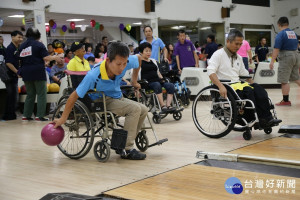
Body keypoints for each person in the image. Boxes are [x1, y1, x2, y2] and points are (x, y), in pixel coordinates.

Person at [53, 42, 147, 160]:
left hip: (117, 97)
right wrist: (63, 118)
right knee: (135, 109)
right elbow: (73, 95)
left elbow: (138, 59)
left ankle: (122, 141)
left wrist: (134, 80)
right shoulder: (93, 76)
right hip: (101, 100)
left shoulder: (125, 61)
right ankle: (127, 148)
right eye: (118, 64)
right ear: (108, 60)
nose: (122, 67)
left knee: (144, 109)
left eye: (124, 64)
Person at [207, 29, 281, 127]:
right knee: (248, 92)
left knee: (259, 90)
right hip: (225, 85)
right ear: (228, 41)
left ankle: (266, 118)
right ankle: (253, 119)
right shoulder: (218, 54)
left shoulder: (239, 57)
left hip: (237, 85)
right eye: (236, 44)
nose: (238, 47)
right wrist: (220, 86)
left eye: (240, 44)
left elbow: (245, 74)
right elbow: (211, 72)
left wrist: (253, 84)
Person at [19, 28, 62, 121]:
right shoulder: (39, 45)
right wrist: (55, 57)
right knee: (41, 94)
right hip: (38, 72)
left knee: (30, 94)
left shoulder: (22, 46)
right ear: (38, 35)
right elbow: (46, 57)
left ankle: (26, 115)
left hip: (26, 72)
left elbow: (22, 59)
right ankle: (40, 115)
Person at [269, 16, 300, 106]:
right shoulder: (293, 33)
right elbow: (297, 44)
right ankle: (285, 100)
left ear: (279, 24)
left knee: (284, 80)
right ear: (288, 24)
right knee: (296, 78)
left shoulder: (281, 34)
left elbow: (276, 49)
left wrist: (272, 61)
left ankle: (285, 101)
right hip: (296, 54)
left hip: (286, 57)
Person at [138, 42, 176, 112]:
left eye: (150, 51)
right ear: (141, 52)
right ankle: (162, 106)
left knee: (170, 85)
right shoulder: (139, 62)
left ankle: (168, 105)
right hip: (147, 83)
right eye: (146, 51)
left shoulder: (153, 61)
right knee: (157, 85)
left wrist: (162, 79)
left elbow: (158, 72)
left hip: (157, 81)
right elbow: (136, 74)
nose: (148, 52)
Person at [2, 31, 23, 121]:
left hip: (13, 76)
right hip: (9, 75)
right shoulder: (10, 48)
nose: (20, 39)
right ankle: (8, 115)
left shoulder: (17, 48)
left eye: (21, 37)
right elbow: (8, 63)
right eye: (18, 37)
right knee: (11, 95)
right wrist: (17, 72)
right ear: (12, 37)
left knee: (13, 95)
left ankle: (11, 114)